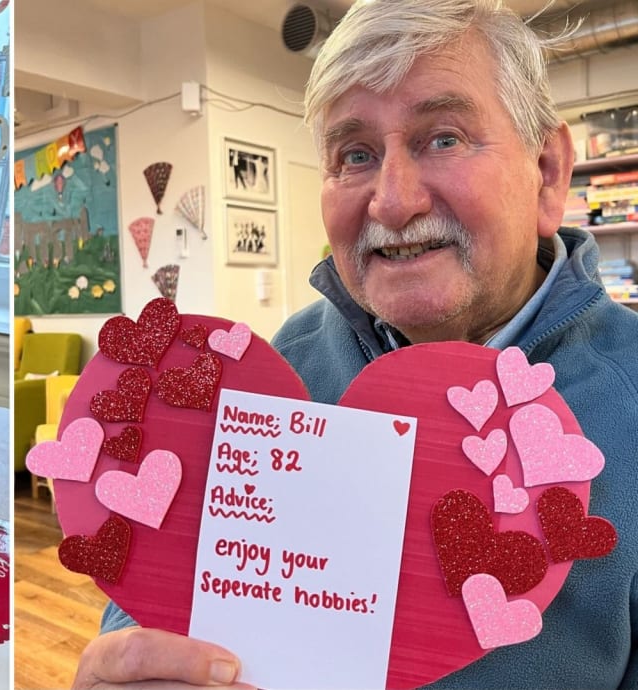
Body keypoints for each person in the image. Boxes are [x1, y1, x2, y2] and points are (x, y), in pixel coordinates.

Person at [72, 2, 638, 688]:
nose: (392, 201)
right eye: (356, 155)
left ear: (546, 172)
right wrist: (135, 654)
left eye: (445, 138)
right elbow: (171, 572)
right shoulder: (286, 361)